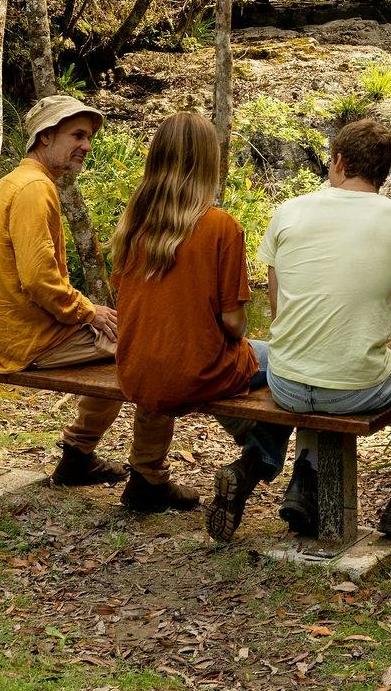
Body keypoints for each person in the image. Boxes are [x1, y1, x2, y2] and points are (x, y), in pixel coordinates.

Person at [258, 118, 391, 547]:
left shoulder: (288, 212)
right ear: (384, 171)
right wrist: (370, 348)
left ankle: (303, 481)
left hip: (286, 383)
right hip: (354, 388)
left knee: (310, 350)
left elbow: (282, 315)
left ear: (338, 162)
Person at [0, 93, 176, 495]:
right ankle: (149, 479)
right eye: (77, 135)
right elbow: (38, 278)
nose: (86, 145)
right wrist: (87, 311)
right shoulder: (34, 189)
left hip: (6, 333)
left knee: (122, 346)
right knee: (147, 354)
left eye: (89, 137)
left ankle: (77, 457)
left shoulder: (14, 181)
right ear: (45, 137)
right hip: (29, 339)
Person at [111, 112, 291, 535]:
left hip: (134, 370)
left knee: (181, 355)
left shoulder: (133, 225)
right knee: (292, 366)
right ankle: (254, 465)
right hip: (193, 373)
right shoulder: (221, 227)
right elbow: (233, 323)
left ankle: (146, 476)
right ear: (210, 164)